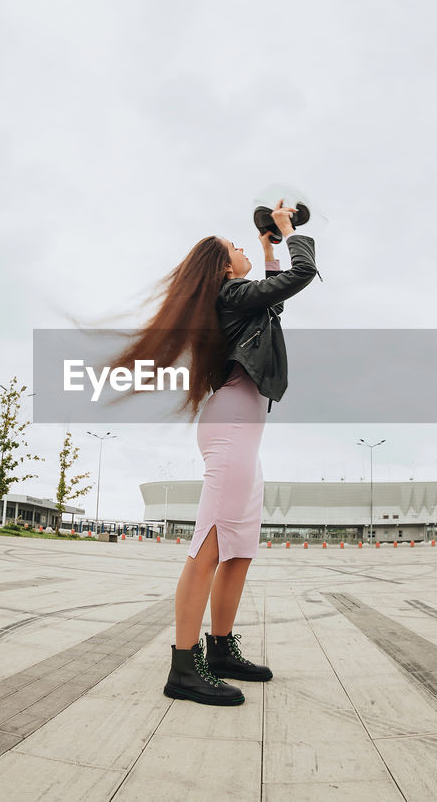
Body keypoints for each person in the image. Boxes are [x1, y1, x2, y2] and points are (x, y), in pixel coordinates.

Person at [109, 200, 319, 706]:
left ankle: (220, 650)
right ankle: (184, 668)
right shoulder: (229, 295)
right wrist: (289, 234)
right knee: (208, 546)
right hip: (231, 430)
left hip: (243, 431)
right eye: (236, 247)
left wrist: (269, 246)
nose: (244, 247)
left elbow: (273, 300)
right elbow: (301, 275)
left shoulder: (239, 298)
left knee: (239, 548)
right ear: (224, 269)